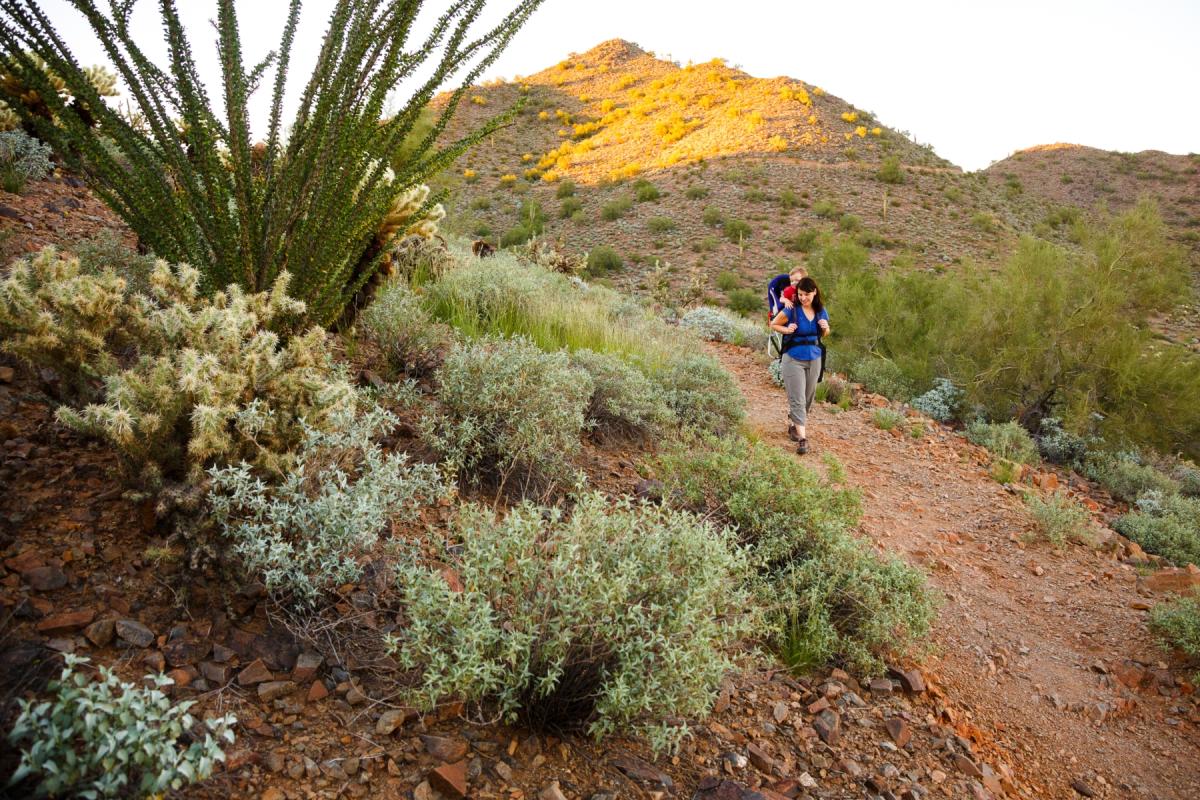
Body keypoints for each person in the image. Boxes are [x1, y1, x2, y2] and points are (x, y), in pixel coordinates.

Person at [769, 276, 829, 454]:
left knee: (808, 397)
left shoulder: (820, 310)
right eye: (800, 294)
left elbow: (825, 332)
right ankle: (802, 439)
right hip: (793, 358)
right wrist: (786, 329)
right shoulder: (792, 310)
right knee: (798, 398)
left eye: (806, 294)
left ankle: (794, 424)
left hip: (815, 358)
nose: (803, 298)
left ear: (814, 292)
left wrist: (825, 328)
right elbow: (774, 324)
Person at [765, 266, 808, 357]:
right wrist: (786, 300)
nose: (794, 283)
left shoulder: (808, 292)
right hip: (790, 313)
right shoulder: (789, 290)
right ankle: (786, 354)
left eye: (797, 280)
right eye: (791, 281)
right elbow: (781, 298)